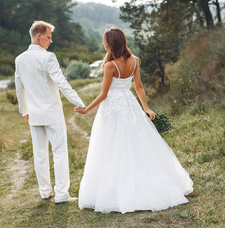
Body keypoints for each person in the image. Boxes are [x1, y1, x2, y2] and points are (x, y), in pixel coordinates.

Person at [75, 27, 193, 213]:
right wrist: (146, 108)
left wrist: (87, 109)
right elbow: (138, 87)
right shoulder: (135, 60)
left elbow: (104, 94)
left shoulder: (109, 65)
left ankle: (118, 189)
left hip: (113, 108)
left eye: (105, 40)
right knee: (137, 143)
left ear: (111, 43)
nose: (103, 43)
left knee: (111, 146)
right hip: (130, 105)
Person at [15, 21, 86, 204]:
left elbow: (18, 87)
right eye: (48, 37)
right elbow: (62, 83)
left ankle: (45, 191)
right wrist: (80, 103)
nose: (51, 41)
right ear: (39, 36)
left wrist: (24, 110)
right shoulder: (48, 58)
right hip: (52, 113)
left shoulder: (19, 59)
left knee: (39, 153)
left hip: (34, 114)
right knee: (60, 152)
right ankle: (61, 194)